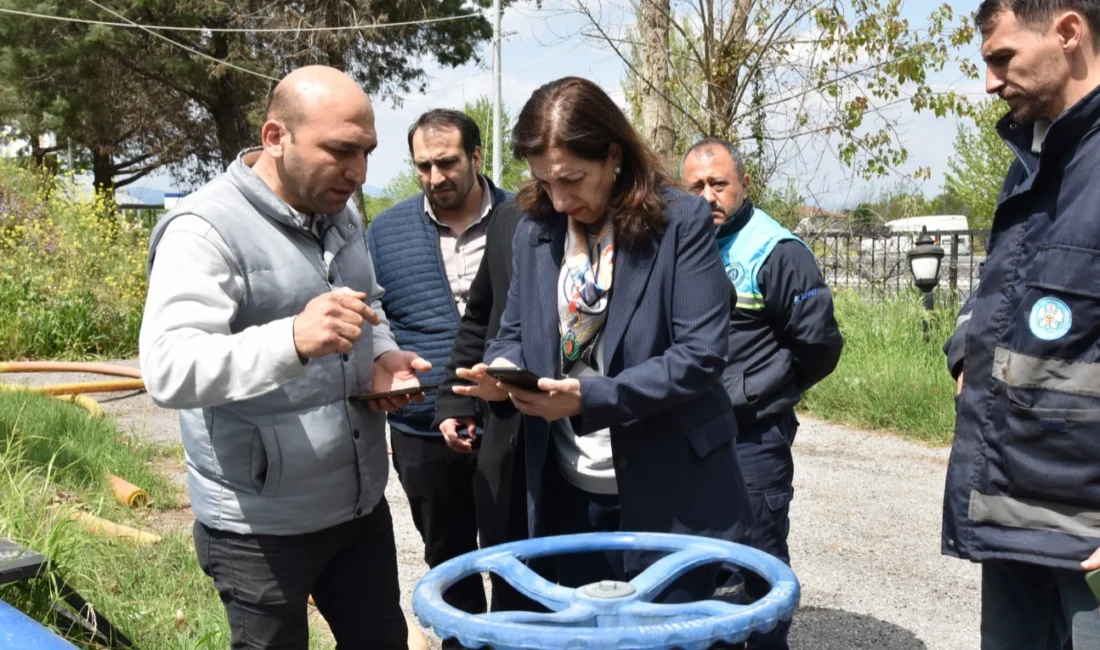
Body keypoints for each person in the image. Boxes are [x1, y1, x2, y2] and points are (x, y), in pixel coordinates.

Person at [139, 65, 430, 650]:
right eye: (341, 150)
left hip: (357, 506)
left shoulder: (342, 211)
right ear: (276, 138)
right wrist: (291, 339)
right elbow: (168, 368)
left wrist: (384, 355)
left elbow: (366, 308)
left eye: (367, 151)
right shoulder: (204, 229)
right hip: (259, 527)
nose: (359, 172)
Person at [454, 76, 754, 600]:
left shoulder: (679, 220)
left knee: (667, 632)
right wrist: (501, 373)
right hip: (567, 489)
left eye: (573, 179)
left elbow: (699, 356)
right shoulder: (535, 229)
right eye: (545, 182)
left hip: (669, 486)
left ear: (613, 155)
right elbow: (513, 331)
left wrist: (589, 398)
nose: (561, 198)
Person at [943, 2, 1100, 647]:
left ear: (1067, 31)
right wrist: (963, 354)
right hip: (1015, 512)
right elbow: (995, 288)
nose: (989, 81)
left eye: (1002, 57)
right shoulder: (1035, 159)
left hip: (1087, 539)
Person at [680, 138, 843, 650]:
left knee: (759, 559)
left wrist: (756, 396)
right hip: (687, 437)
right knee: (699, 561)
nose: (708, 196)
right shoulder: (683, 244)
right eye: (697, 187)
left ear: (744, 185)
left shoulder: (776, 251)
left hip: (752, 439)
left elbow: (819, 345)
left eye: (719, 184)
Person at [366, 109, 511, 627]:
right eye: (422, 166)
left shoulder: (527, 221)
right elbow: (371, 317)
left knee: (517, 555)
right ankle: (460, 639)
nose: (435, 178)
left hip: (510, 423)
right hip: (422, 426)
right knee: (446, 557)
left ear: (476, 157)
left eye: (447, 162)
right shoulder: (384, 233)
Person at [433, 198, 532, 612]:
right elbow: (480, 317)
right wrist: (455, 400)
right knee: (514, 580)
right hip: (515, 436)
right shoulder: (511, 218)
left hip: (597, 449)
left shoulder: (642, 216)